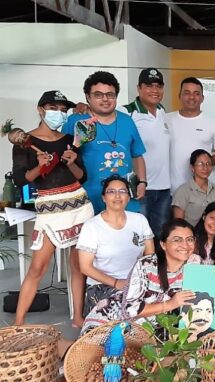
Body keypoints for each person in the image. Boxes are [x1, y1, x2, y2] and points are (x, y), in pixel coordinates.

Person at [10, 90, 94, 327]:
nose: (58, 113)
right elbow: (21, 179)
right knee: (38, 266)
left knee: (78, 265)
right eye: (53, 108)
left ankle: (78, 316)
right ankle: (18, 322)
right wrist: (38, 166)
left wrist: (70, 161)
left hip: (78, 203)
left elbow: (82, 175)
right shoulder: (25, 143)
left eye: (62, 109)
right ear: (40, 110)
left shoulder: (70, 140)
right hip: (49, 206)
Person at [81, 219, 199, 334]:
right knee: (99, 351)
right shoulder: (146, 265)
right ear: (163, 244)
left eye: (189, 239)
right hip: (117, 320)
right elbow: (131, 310)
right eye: (177, 240)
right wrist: (171, 304)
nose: (185, 245)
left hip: (160, 325)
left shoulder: (195, 262)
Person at [62, 71, 147, 214]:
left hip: (125, 201)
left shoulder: (127, 121)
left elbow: (137, 155)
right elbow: (64, 157)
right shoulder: (76, 122)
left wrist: (143, 182)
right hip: (88, 200)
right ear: (88, 97)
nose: (105, 99)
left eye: (110, 94)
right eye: (98, 95)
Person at [77, 176, 155, 325]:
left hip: (136, 283)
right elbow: (85, 267)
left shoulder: (139, 220)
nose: (117, 196)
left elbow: (150, 256)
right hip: (102, 286)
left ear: (128, 196)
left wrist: (144, 282)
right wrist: (117, 282)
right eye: (111, 191)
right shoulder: (92, 226)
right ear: (104, 198)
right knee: (121, 318)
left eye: (122, 191)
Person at [118, 68, 171, 237]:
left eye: (158, 86)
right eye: (149, 86)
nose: (154, 90)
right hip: (140, 189)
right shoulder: (126, 112)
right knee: (138, 237)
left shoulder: (162, 111)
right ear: (139, 88)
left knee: (160, 237)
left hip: (163, 189)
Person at [165, 77, 215, 193]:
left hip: (200, 192)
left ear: (202, 98)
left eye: (196, 93)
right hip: (167, 191)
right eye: (187, 93)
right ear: (180, 96)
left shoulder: (214, 124)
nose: (191, 97)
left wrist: (200, 165)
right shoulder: (165, 119)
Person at [172, 149, 215, 226]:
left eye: (208, 163)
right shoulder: (183, 191)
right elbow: (178, 224)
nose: (205, 167)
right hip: (190, 235)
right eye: (200, 164)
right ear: (192, 167)